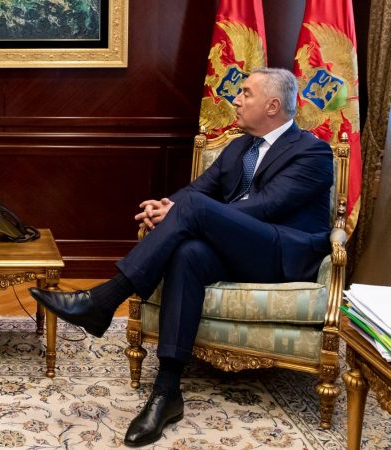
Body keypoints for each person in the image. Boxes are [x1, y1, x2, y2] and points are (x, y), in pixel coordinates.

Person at [29, 67, 333, 447]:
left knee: (195, 211)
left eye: (245, 93)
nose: (236, 100)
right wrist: (167, 207)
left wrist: (182, 212)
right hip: (236, 249)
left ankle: (105, 298)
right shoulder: (239, 148)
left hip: (282, 256)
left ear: (272, 106)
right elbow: (197, 191)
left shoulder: (312, 151)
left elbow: (267, 207)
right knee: (188, 253)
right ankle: (167, 390)